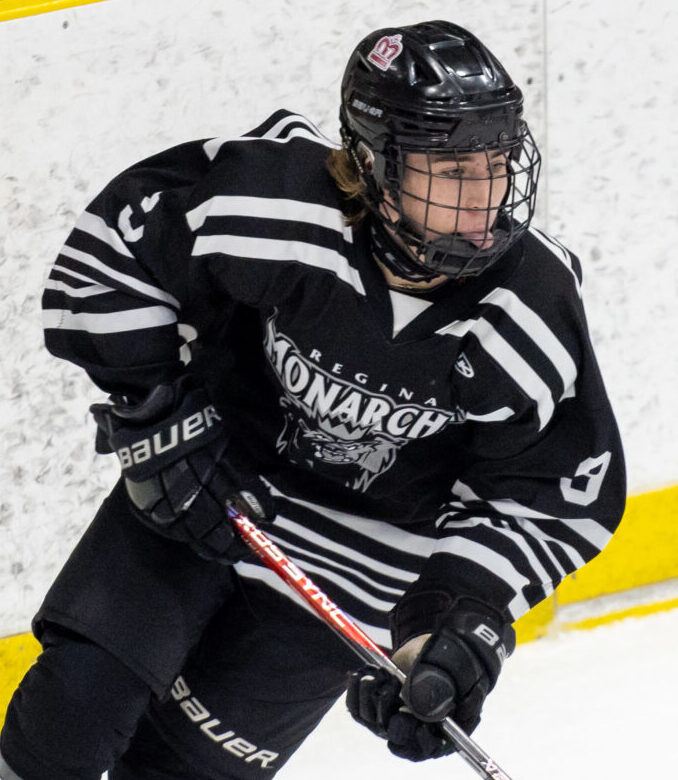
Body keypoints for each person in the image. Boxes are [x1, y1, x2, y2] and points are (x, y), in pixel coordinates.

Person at [0, 19, 625, 780]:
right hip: (210, 481)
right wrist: (157, 410)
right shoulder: (277, 203)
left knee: (180, 771)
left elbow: (549, 498)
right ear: (373, 164)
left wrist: (451, 626)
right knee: (67, 715)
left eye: (496, 166)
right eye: (452, 169)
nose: (484, 199)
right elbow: (112, 254)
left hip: (362, 563)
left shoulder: (530, 308)